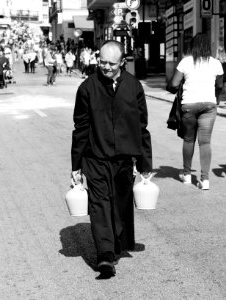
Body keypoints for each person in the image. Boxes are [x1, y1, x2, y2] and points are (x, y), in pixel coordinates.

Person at [70, 40, 152, 277]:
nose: (106, 67)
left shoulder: (133, 86)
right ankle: (104, 255)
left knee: (119, 203)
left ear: (122, 62)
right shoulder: (87, 87)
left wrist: (145, 163)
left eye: (111, 63)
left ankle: (115, 242)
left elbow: (141, 125)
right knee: (99, 204)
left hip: (124, 158)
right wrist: (76, 166)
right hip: (95, 157)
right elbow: (81, 128)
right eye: (102, 62)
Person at [168, 33, 223, 190]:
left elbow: (174, 83)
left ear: (193, 46)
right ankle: (204, 180)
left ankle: (186, 175)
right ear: (208, 46)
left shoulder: (186, 62)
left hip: (189, 104)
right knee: (205, 142)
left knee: (188, 139)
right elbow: (219, 85)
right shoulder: (215, 63)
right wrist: (215, 100)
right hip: (208, 105)